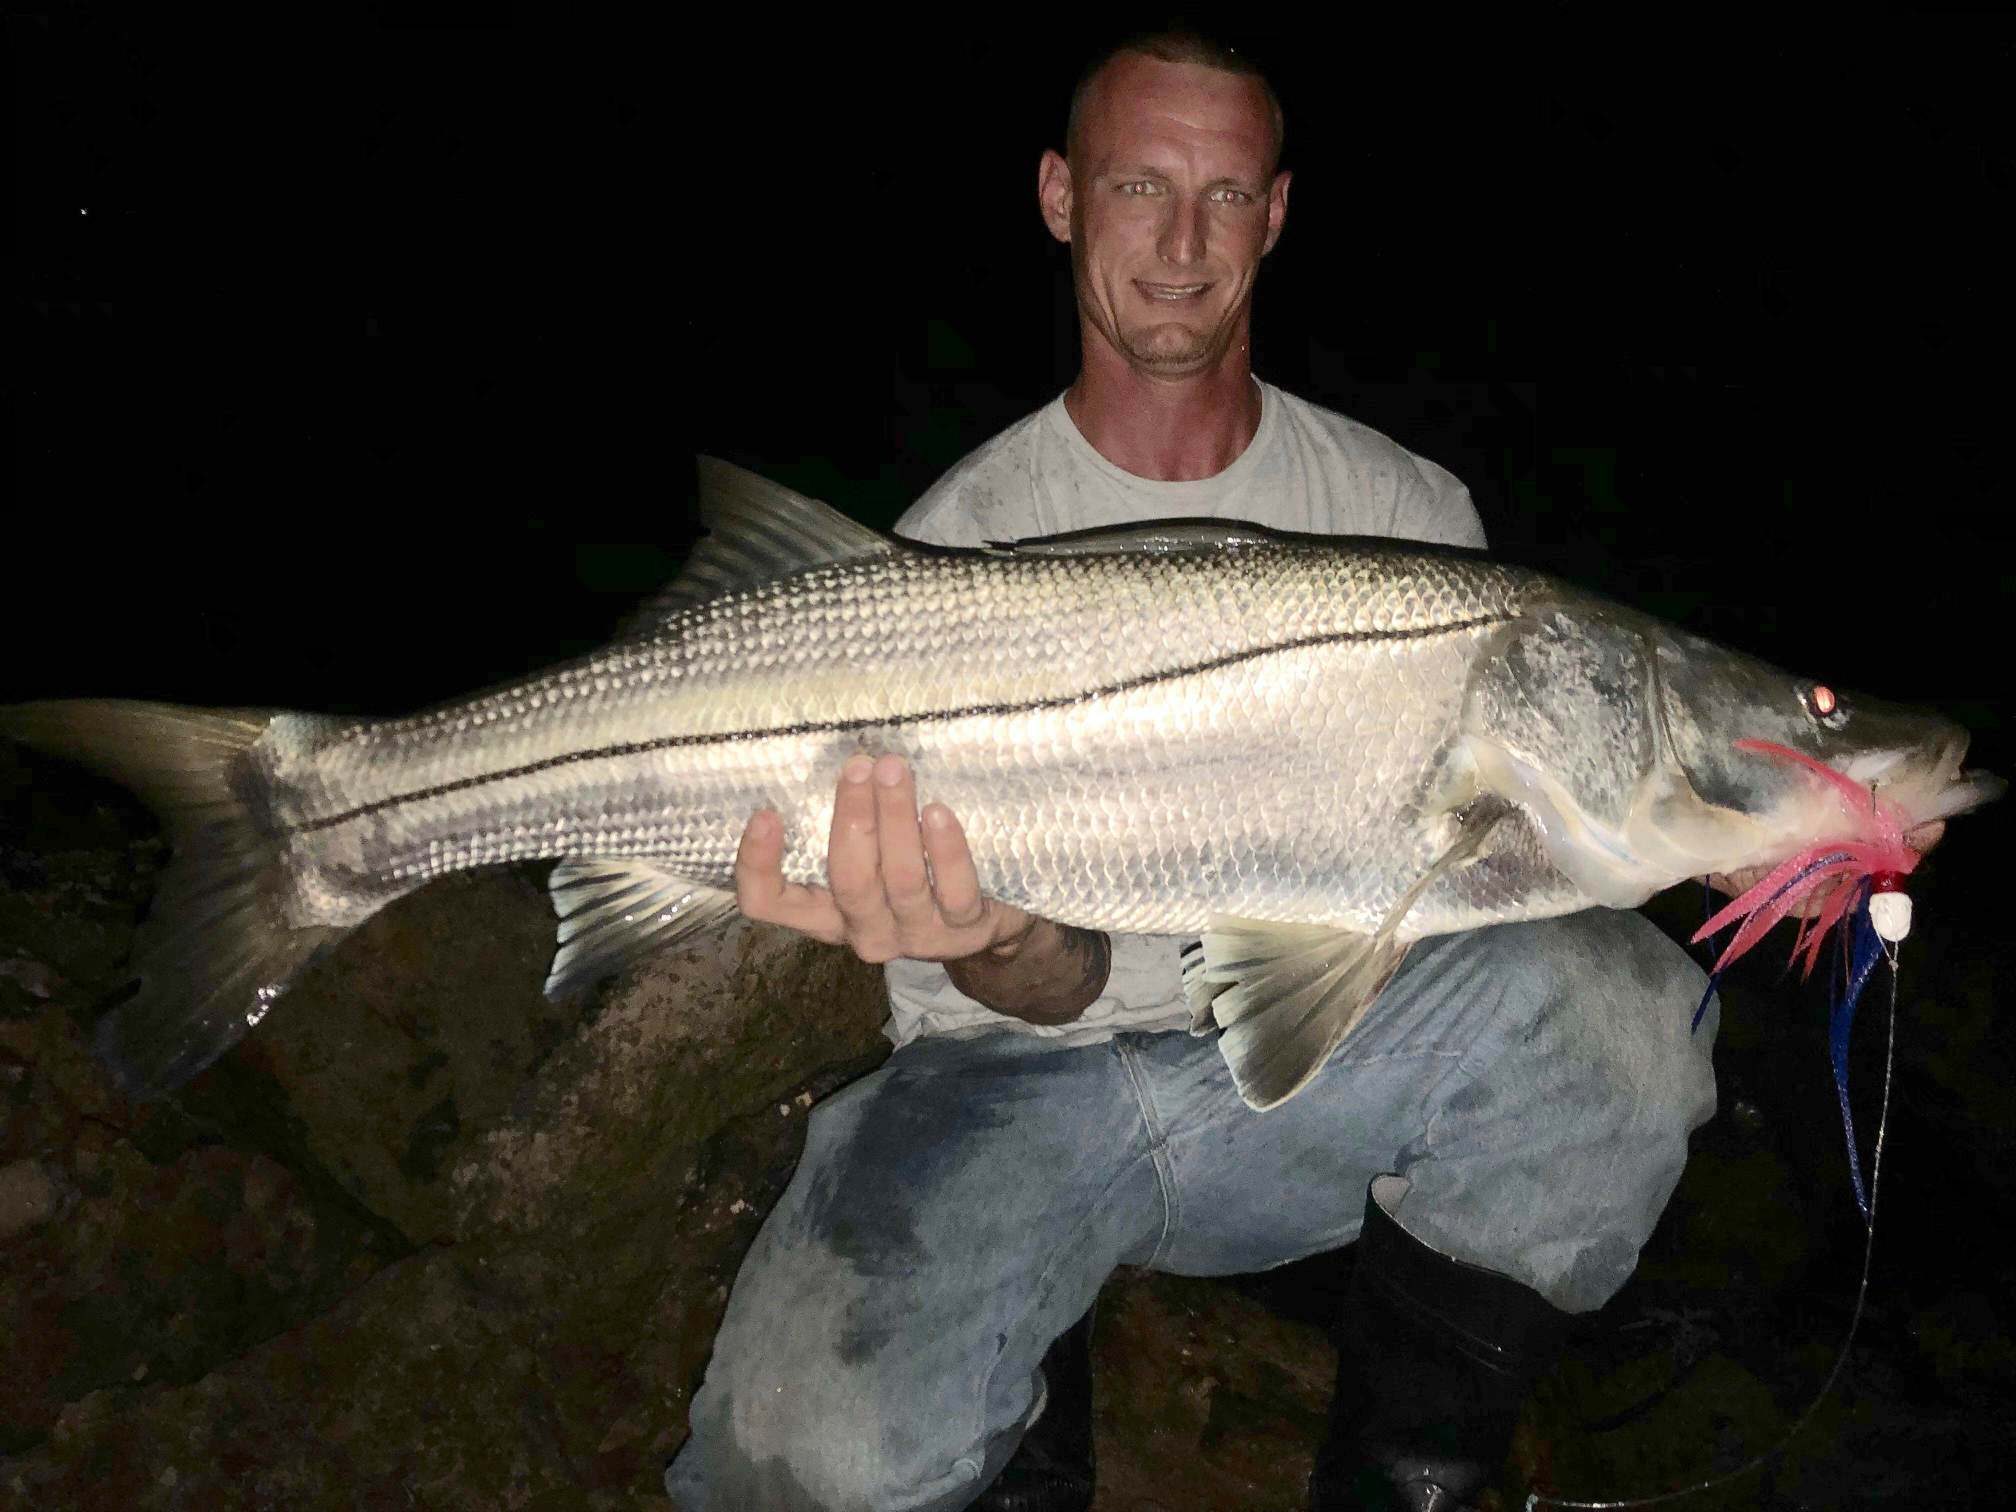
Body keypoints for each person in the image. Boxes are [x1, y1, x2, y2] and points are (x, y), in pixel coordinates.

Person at [665, 30, 1716, 1512]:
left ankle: (1407, 1473)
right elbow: (981, 996)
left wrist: (1759, 818)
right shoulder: (953, 538)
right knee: (799, 1467)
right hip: (1017, 1080)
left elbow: (1517, 871)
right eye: (1139, 186)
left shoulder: (1408, 512)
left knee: (1626, 1016)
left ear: (1276, 214)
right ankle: (1029, 1365)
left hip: (1307, 1089)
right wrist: (1007, 942)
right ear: (1058, 196)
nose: (1180, 241)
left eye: (1224, 195)